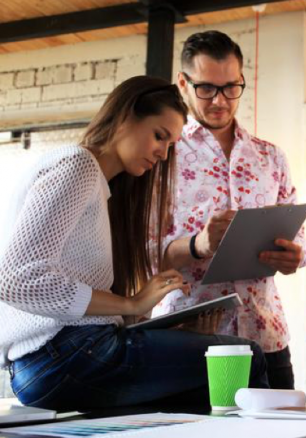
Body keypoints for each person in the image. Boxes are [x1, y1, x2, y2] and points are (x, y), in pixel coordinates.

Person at [0, 76, 269, 411]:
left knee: (196, 396)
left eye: (170, 144)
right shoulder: (78, 165)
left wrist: (168, 329)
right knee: (243, 358)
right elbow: (16, 281)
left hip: (58, 360)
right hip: (62, 355)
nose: (163, 153)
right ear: (126, 118)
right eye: (159, 136)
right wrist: (131, 303)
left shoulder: (100, 186)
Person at [154, 31, 306, 390]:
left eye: (231, 87)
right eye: (207, 88)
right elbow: (141, 255)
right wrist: (196, 244)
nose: (220, 101)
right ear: (183, 82)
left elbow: (302, 238)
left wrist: (297, 255)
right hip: (186, 338)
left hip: (266, 336)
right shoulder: (162, 155)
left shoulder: (270, 156)